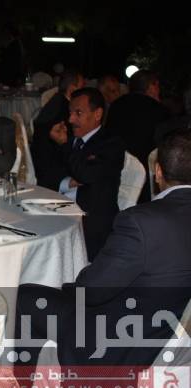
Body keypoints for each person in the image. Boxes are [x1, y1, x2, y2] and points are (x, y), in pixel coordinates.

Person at [17, 128, 191, 372]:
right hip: (170, 333)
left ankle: (21, 385)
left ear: (158, 172)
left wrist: (68, 286)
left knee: (25, 297)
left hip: (119, 343)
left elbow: (91, 292)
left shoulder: (141, 222)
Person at [48, 87, 124, 260]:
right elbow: (45, 175)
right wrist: (66, 183)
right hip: (59, 212)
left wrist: (65, 146)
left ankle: (75, 281)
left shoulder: (111, 143)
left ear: (97, 114)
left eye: (78, 113)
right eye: (70, 113)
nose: (70, 119)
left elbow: (85, 174)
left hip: (92, 223)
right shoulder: (69, 138)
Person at [105, 69, 169, 203]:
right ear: (151, 86)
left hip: (114, 168)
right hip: (145, 176)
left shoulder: (116, 105)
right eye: (157, 85)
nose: (159, 90)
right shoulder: (159, 110)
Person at [32, 70, 85, 191]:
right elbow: (69, 143)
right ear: (72, 89)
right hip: (53, 171)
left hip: (41, 163)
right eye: (82, 87)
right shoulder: (64, 110)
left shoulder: (57, 101)